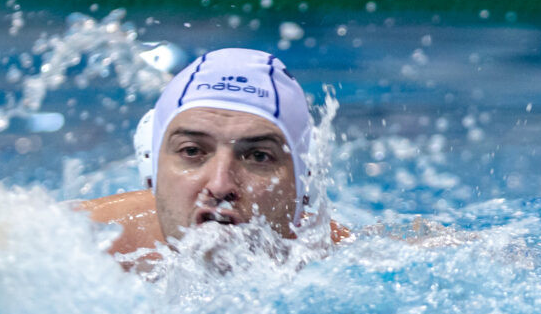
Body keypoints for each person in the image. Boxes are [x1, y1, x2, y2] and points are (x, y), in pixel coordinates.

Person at [75, 48, 348, 268]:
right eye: (192, 151)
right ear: (152, 169)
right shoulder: (79, 248)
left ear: (304, 182)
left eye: (258, 156)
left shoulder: (348, 266)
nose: (219, 186)